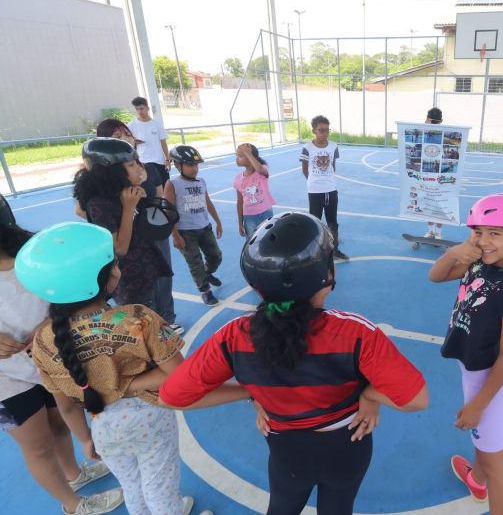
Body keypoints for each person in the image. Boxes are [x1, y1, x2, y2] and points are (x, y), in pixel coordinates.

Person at [159, 211, 430, 515]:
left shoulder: (234, 336)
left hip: (287, 453)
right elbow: (417, 400)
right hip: (348, 445)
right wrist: (369, 395)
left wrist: (251, 392)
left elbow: (172, 397)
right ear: (326, 276)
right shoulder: (356, 333)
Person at [17, 222, 244, 515]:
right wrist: (126, 384)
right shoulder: (139, 319)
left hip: (102, 426)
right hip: (150, 420)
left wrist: (84, 438)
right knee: (159, 485)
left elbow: (67, 406)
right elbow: (181, 377)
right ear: (108, 278)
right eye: (113, 263)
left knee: (132, 487)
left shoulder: (42, 342)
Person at [0, 196, 123, 515]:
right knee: (38, 445)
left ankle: (74, 474)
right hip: (6, 379)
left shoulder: (32, 252)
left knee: (58, 422)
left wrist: (49, 323)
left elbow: (64, 293)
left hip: (49, 358)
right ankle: (73, 505)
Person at [429, 194, 503, 515]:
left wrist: (478, 405)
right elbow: (436, 275)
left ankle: (485, 479)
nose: (484, 241)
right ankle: (476, 479)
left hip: (487, 383)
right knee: (484, 444)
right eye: (478, 232)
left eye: (495, 233)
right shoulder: (478, 262)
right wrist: (454, 252)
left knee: (497, 467)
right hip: (476, 373)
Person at [94, 119, 182, 335]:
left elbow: (160, 202)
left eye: (127, 134)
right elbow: (118, 246)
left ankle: (167, 320)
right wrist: (128, 209)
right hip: (132, 249)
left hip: (153, 237)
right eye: (117, 137)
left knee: (162, 278)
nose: (126, 139)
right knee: (139, 301)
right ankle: (152, 334)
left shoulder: (149, 169)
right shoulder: (101, 189)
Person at [73, 138, 172, 309]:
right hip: (131, 280)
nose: (139, 169)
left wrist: (142, 202)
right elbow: (119, 249)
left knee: (160, 309)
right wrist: (128, 208)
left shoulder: (123, 192)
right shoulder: (99, 204)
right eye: (132, 165)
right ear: (111, 171)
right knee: (144, 318)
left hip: (147, 266)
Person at [165, 145, 224, 306]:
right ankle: (205, 291)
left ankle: (207, 273)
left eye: (196, 165)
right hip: (185, 232)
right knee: (195, 262)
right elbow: (169, 211)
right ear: (178, 165)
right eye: (190, 165)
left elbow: (208, 203)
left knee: (216, 256)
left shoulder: (201, 181)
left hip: (204, 227)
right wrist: (175, 236)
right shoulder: (172, 184)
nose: (195, 169)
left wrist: (218, 222)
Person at [300, 115, 348, 260]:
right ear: (314, 131)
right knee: (314, 221)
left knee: (332, 221)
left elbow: (333, 166)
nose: (325, 133)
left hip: (331, 189)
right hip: (315, 191)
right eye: (321, 130)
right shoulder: (307, 148)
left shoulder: (333, 146)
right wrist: (315, 181)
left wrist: (328, 180)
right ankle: (313, 252)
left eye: (327, 130)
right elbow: (305, 169)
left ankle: (334, 249)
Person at [234, 143, 276, 238]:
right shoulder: (238, 179)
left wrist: (248, 153)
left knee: (268, 238)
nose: (236, 159)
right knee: (252, 240)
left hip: (266, 212)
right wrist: (240, 223)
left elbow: (260, 169)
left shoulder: (262, 170)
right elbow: (240, 202)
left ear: (250, 157)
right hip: (249, 217)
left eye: (240, 156)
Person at [128, 97, 171, 185]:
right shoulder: (131, 125)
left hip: (159, 161)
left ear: (147, 108)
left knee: (165, 186)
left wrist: (167, 160)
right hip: (142, 162)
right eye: (137, 109)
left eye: (141, 108)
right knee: (150, 189)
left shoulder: (157, 124)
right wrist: (135, 143)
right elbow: (128, 143)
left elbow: (163, 143)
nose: (139, 112)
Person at [424, 107, 444, 239]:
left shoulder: (425, 131)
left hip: (431, 173)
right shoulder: (444, 131)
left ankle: (432, 231)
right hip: (435, 172)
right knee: (439, 202)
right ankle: (436, 233)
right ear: (441, 120)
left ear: (428, 119)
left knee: (429, 201)